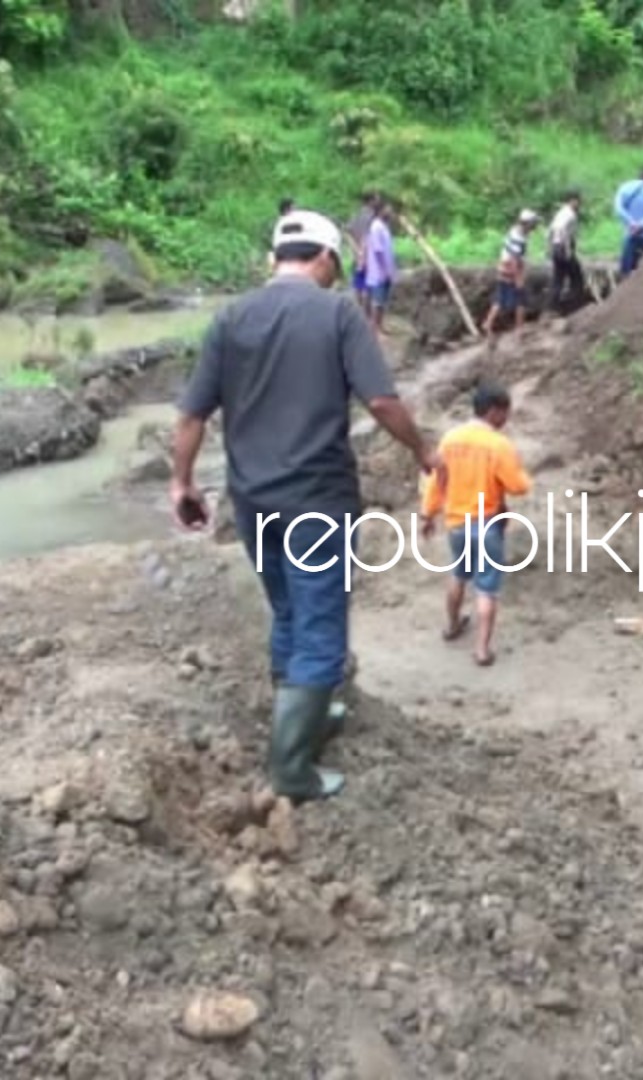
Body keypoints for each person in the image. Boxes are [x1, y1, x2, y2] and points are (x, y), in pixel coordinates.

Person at [170, 207, 442, 802]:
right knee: (320, 625)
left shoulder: (231, 318)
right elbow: (381, 402)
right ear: (323, 259)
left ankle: (309, 715)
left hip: (252, 500)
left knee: (290, 612)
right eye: (334, 266)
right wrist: (424, 449)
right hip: (316, 499)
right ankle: (292, 767)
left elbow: (192, 415)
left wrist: (182, 484)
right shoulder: (337, 313)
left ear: (275, 258)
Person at [419, 382, 532, 667]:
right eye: (505, 413)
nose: (506, 419)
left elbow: (437, 481)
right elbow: (518, 486)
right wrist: (521, 474)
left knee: (458, 575)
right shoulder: (498, 444)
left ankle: (453, 625)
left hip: (456, 523)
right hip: (487, 525)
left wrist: (428, 514)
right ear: (494, 411)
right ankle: (482, 649)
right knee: (487, 588)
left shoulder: (450, 439)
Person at [482, 208, 540, 337]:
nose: (534, 226)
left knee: (500, 299)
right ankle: (519, 328)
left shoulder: (515, 230)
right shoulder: (518, 238)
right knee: (521, 299)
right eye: (533, 223)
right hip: (510, 269)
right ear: (527, 223)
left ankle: (488, 323)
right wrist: (518, 277)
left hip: (503, 267)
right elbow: (514, 259)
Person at [363, 198, 398, 337]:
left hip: (385, 270)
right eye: (388, 208)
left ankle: (380, 326)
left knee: (382, 301)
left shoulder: (383, 226)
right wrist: (384, 270)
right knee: (377, 301)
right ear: (381, 210)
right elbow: (378, 251)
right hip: (379, 271)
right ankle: (375, 329)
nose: (390, 211)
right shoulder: (376, 226)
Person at [548, 190, 583, 312]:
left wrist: (549, 247)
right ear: (572, 200)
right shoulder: (570, 214)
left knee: (558, 278)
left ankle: (553, 307)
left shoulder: (560, 213)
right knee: (577, 278)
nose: (579, 204)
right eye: (578, 201)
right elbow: (561, 229)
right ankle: (574, 307)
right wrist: (567, 249)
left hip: (556, 247)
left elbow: (551, 229)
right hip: (563, 248)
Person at [346, 191, 379, 304]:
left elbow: (348, 232)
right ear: (371, 201)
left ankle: (358, 310)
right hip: (369, 255)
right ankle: (367, 315)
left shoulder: (355, 215)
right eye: (376, 198)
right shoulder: (373, 217)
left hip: (357, 255)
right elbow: (369, 235)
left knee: (358, 285)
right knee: (368, 286)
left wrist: (355, 249)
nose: (378, 201)